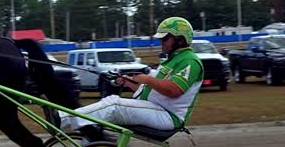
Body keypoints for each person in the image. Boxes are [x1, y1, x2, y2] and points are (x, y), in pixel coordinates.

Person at [62, 17, 204, 136]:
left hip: (168, 116)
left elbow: (174, 90)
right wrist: (129, 83)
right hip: (155, 108)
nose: (161, 42)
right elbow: (155, 90)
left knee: (114, 105)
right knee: (101, 118)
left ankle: (63, 119)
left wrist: (147, 79)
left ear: (180, 39)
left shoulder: (190, 61)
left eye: (165, 38)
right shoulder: (172, 59)